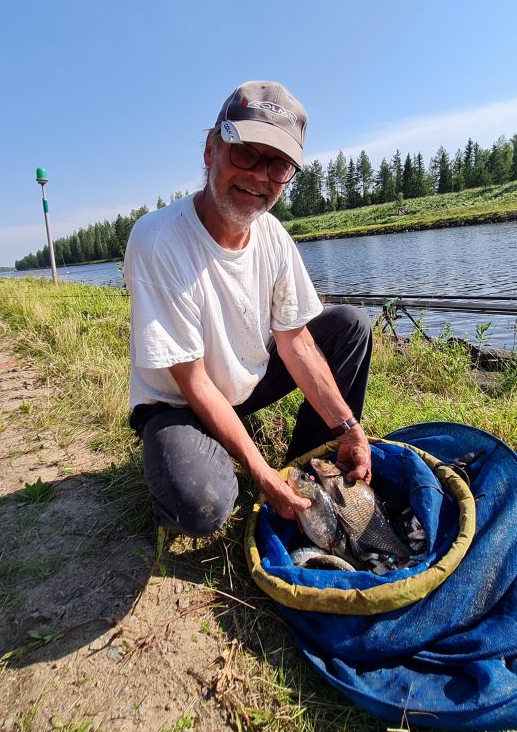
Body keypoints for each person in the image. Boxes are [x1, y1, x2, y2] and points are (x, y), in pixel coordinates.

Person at [123, 80, 373, 538]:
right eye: (245, 153)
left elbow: (295, 341)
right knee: (201, 505)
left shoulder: (273, 235)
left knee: (348, 327)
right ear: (211, 151)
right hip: (179, 403)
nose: (259, 176)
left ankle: (303, 468)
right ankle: (183, 470)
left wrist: (349, 428)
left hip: (244, 384)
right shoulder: (158, 239)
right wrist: (259, 475)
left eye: (277, 164)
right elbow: (194, 381)